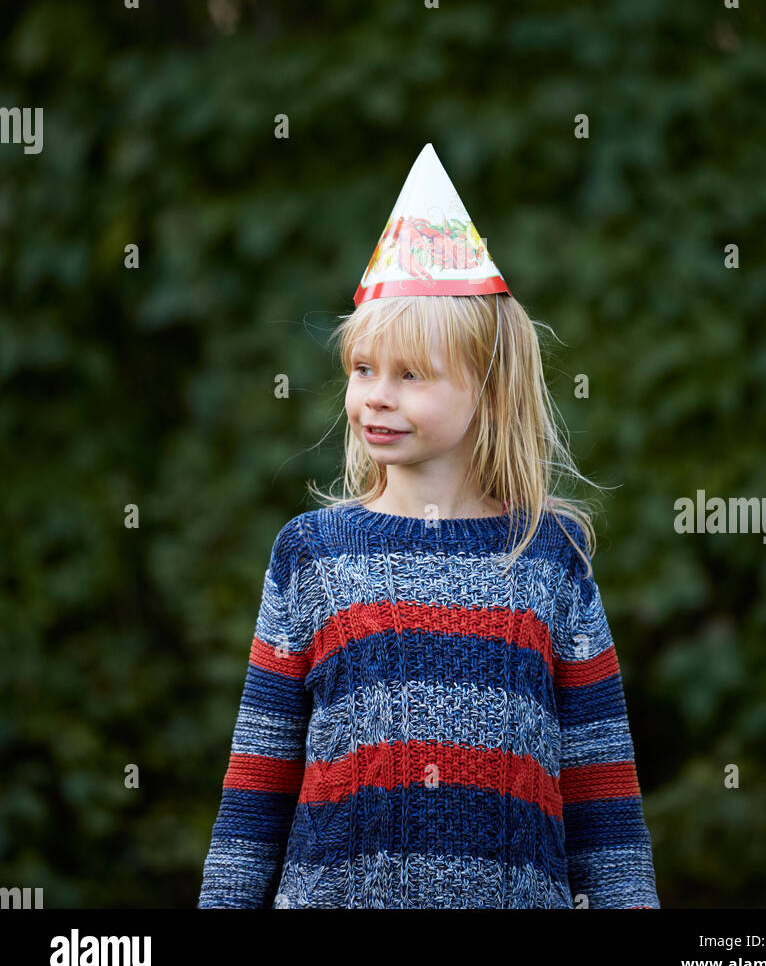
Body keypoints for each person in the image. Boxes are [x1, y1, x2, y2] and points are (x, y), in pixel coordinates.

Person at [197, 144, 660, 909]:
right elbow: (258, 781)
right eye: (363, 369)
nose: (377, 396)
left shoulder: (549, 559)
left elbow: (603, 794)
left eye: (411, 374)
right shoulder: (311, 556)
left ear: (489, 389)